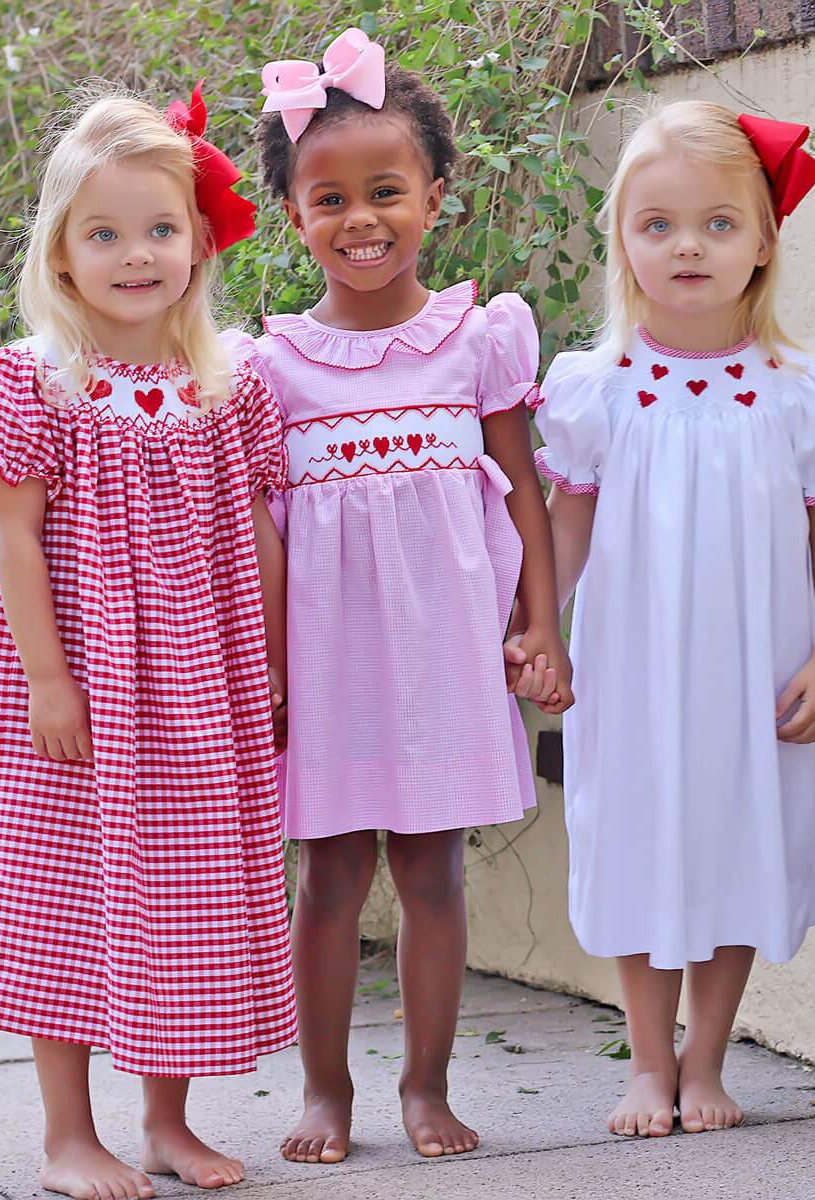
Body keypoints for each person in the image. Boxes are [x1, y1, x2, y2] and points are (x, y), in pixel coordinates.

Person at [0, 84, 296, 1197]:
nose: (135, 254)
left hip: (196, 687)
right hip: (72, 685)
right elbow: (17, 547)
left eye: (159, 229)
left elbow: (256, 533)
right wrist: (48, 679)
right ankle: (66, 1132)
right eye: (104, 233)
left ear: (198, 242)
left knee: (182, 891)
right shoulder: (35, 385)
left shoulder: (227, 385)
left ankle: (168, 1121)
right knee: (71, 894)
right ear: (60, 253)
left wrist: (275, 667)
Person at [228, 28, 573, 1165]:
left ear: (436, 196)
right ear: (294, 217)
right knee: (327, 874)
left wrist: (538, 626)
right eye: (330, 199)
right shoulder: (271, 368)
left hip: (443, 653)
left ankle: (426, 1086)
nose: (361, 219)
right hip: (322, 659)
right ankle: (326, 1094)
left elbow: (520, 491)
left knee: (430, 867)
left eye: (387, 191)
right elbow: (260, 532)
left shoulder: (477, 339)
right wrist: (265, 666)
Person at [528, 100, 815, 1138]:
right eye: (659, 223)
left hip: (752, 669)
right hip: (632, 666)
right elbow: (564, 525)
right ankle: (645, 1062)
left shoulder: (801, 392)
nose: (688, 245)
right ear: (623, 241)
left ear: (764, 240)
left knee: (734, 842)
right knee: (638, 838)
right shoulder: (595, 389)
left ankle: (707, 1060)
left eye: (719, 223)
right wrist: (540, 628)